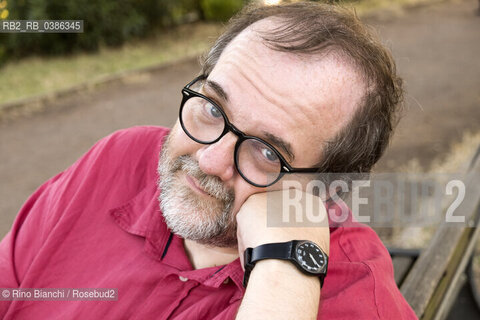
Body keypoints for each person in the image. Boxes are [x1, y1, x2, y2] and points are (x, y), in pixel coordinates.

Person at [0, 2, 417, 319]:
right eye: (214, 109)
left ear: (328, 191)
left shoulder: (358, 301)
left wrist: (284, 278)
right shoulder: (118, 159)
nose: (210, 158)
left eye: (267, 151)